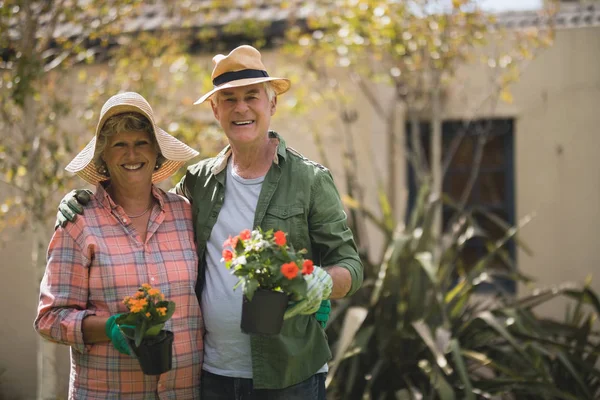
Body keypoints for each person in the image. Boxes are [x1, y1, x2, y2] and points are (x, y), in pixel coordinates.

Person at [57, 45, 363, 399]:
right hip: (212, 375)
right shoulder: (198, 183)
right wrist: (83, 199)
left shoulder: (309, 179)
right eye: (229, 99)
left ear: (272, 104)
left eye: (252, 96)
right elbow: (140, 201)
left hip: (290, 375)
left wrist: (321, 283)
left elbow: (350, 265)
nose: (241, 107)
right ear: (216, 110)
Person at [35, 92, 203, 399]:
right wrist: (109, 328)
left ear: (156, 152)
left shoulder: (184, 213)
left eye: (141, 143)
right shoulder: (80, 222)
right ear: (103, 157)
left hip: (185, 391)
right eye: (119, 145)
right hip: (109, 391)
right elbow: (49, 318)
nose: (132, 154)